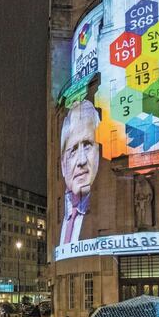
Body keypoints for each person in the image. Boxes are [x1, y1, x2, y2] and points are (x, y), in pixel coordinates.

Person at [60, 99, 100, 244]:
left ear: (98, 152)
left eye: (88, 145)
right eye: (73, 151)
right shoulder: (62, 217)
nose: (81, 161)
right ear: (63, 165)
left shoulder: (104, 212)